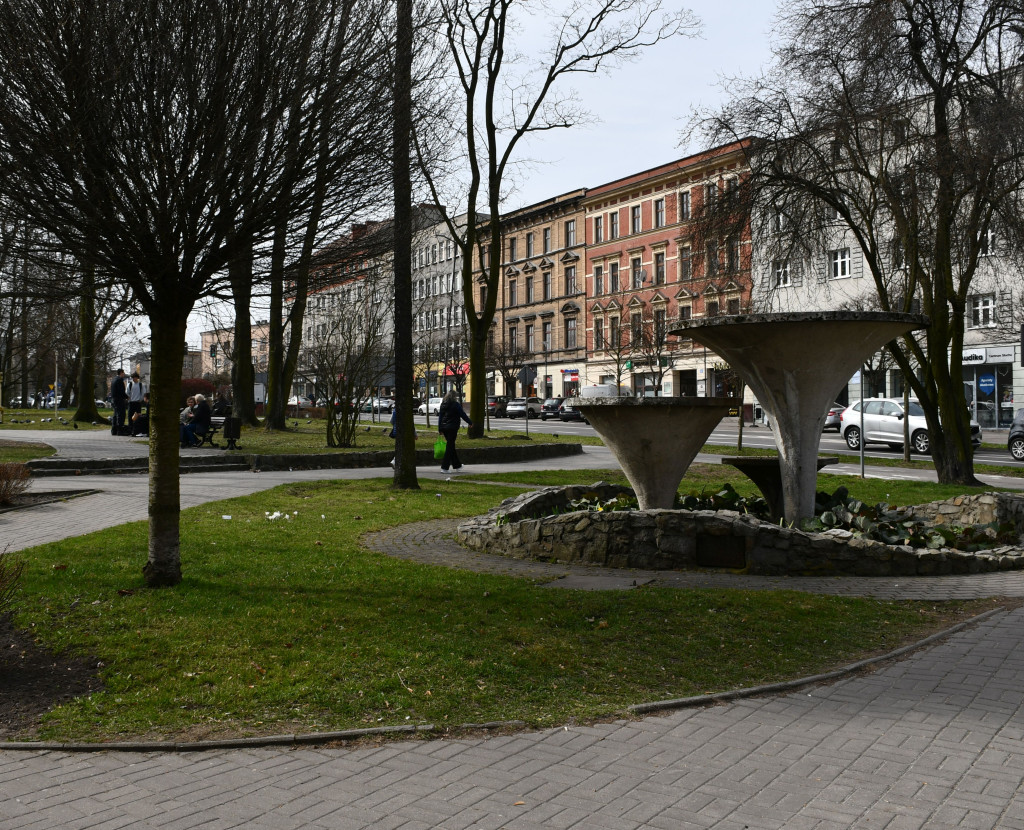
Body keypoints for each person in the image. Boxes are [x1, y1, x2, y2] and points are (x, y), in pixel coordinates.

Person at [436, 389, 472, 472]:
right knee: (450, 447)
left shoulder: (443, 405)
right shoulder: (456, 405)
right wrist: (470, 422)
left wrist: (440, 428)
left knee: (450, 446)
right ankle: (444, 468)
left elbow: (440, 417)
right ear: (454, 397)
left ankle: (457, 465)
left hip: (444, 428)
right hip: (452, 428)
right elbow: (462, 414)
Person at [110, 368, 128, 435]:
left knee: (115, 414)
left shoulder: (113, 380)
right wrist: (127, 397)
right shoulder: (120, 380)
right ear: (121, 373)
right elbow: (121, 391)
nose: (124, 374)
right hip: (119, 399)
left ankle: (113, 430)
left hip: (114, 399)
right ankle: (120, 430)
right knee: (121, 414)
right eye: (123, 373)